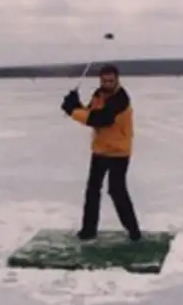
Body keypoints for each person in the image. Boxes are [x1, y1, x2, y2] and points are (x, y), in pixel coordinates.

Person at [60, 64, 142, 242]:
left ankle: (134, 231)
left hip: (119, 152)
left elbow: (101, 119)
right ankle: (88, 231)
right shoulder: (98, 95)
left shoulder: (121, 99)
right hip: (100, 150)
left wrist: (72, 111)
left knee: (116, 190)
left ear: (117, 80)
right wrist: (75, 104)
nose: (107, 84)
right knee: (92, 190)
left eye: (111, 81)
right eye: (104, 81)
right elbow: (90, 113)